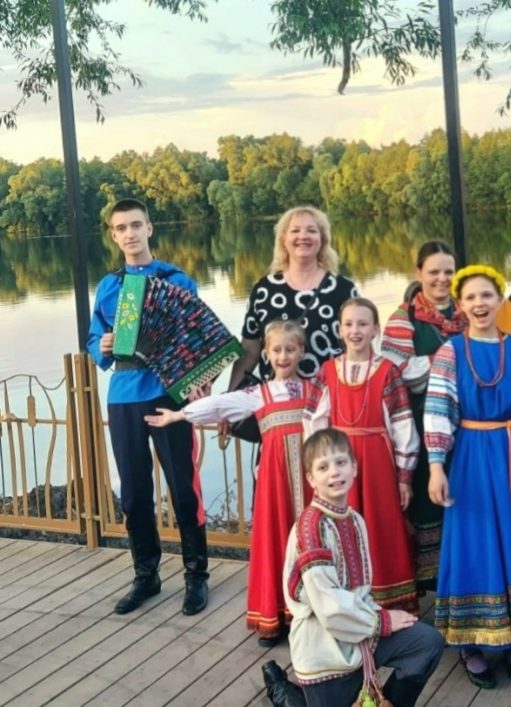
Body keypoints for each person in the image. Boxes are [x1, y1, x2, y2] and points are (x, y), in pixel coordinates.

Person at [145, 320, 322, 646]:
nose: (283, 356)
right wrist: (179, 415)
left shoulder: (315, 392)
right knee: (275, 541)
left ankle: (315, 614)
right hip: (274, 482)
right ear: (266, 354)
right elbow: (218, 405)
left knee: (313, 540)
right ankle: (276, 615)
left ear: (301, 351)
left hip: (310, 480)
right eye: (277, 350)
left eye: (290, 349)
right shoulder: (258, 395)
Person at [424, 264, 511, 688]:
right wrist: (436, 466)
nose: (480, 304)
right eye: (471, 297)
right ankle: (472, 642)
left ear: (500, 300)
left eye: (487, 295)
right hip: (469, 456)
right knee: (474, 539)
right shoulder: (450, 352)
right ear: (460, 305)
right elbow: (438, 409)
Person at [86, 197, 209, 616]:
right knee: (134, 493)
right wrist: (102, 346)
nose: (130, 234)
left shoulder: (177, 280)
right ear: (113, 235)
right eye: (121, 228)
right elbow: (93, 338)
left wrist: (199, 380)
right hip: (123, 395)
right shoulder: (109, 286)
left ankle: (196, 575)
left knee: (183, 488)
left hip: (168, 394)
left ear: (149, 228)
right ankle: (146, 576)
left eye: (136, 225)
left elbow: (198, 336)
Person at [284, 428, 445, 707]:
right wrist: (382, 621)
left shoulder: (354, 519)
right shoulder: (312, 529)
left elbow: (359, 592)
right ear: (311, 479)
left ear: (354, 467)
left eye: (341, 462)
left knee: (426, 643)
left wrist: (378, 618)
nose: (334, 472)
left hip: (360, 634)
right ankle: (289, 694)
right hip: (324, 650)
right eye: (323, 467)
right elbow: (329, 607)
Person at [306, 297, 419, 614]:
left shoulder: (387, 371)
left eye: (363, 324)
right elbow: (313, 423)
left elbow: (403, 426)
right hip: (338, 462)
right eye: (349, 324)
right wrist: (318, 469)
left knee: (381, 526)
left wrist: (405, 477)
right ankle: (345, 604)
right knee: (339, 527)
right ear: (340, 330)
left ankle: (388, 601)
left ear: (375, 330)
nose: (355, 331)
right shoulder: (328, 371)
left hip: (377, 462)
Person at [381, 240, 466, 590]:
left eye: (449, 271)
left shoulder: (467, 309)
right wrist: (450, 358)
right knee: (427, 498)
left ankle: (465, 574)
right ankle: (430, 581)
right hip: (422, 419)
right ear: (419, 273)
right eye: (434, 272)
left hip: (467, 421)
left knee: (462, 494)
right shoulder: (404, 317)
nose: (442, 279)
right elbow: (398, 372)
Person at [229, 206, 359, 386]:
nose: (303, 236)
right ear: (283, 239)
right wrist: (230, 393)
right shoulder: (263, 290)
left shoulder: (343, 289)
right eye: (295, 231)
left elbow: (357, 347)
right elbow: (250, 350)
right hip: (275, 397)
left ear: (322, 239)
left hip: (329, 394)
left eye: (311, 231)